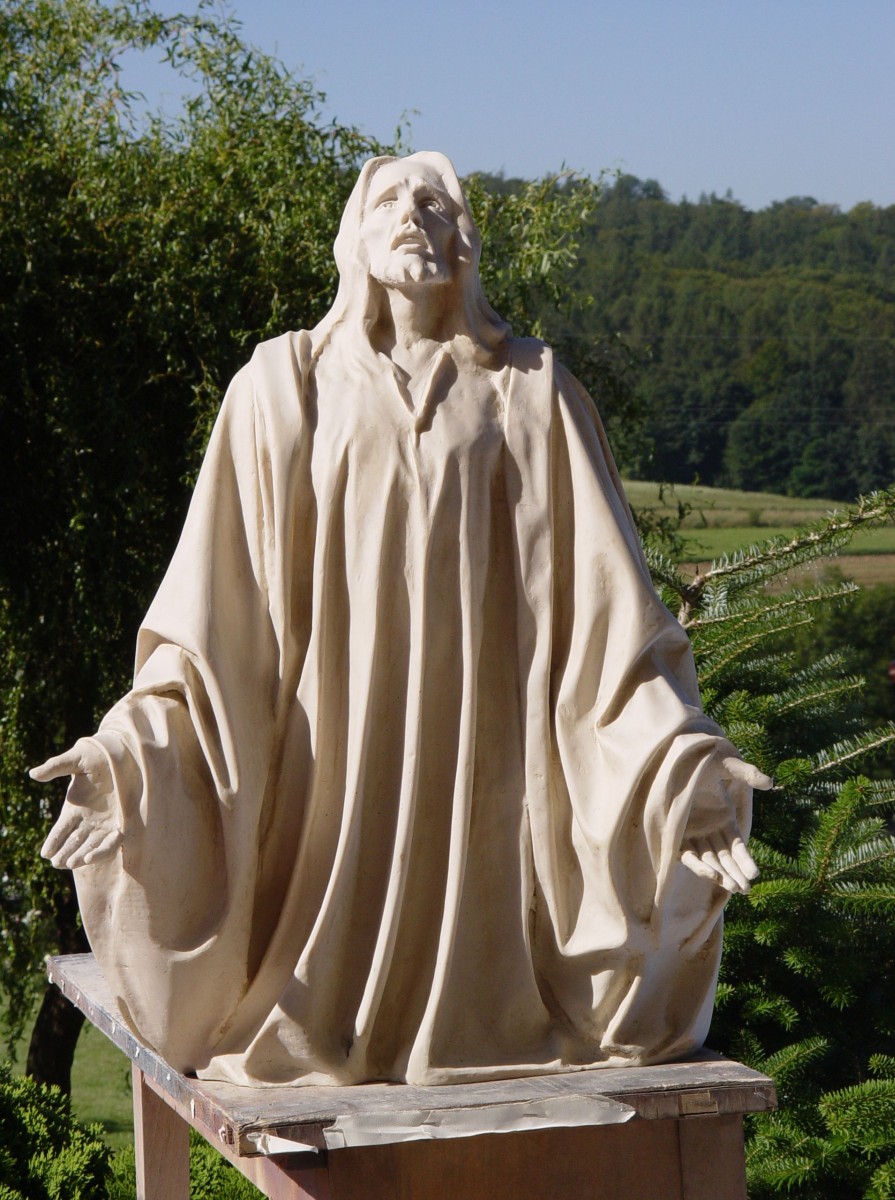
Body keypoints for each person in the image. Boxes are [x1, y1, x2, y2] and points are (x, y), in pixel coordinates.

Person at [33, 152, 770, 1086]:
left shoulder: (532, 389)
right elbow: (213, 616)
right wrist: (131, 754)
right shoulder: (282, 387)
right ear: (356, 238)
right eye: (389, 199)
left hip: (491, 758)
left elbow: (610, 615)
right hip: (330, 762)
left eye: (437, 201)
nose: (414, 214)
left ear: (467, 243)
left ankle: (484, 1018)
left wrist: (681, 770)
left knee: (492, 934)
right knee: (312, 978)